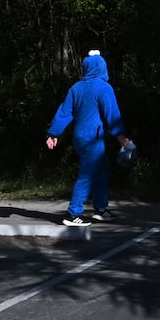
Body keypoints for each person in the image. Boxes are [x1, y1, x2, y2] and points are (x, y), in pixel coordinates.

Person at [45, 49, 131, 228]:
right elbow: (112, 115)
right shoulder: (104, 88)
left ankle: (100, 210)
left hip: (80, 138)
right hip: (94, 138)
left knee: (100, 172)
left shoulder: (76, 87)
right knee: (88, 174)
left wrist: (53, 134)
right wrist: (121, 137)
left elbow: (64, 112)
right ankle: (73, 213)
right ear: (102, 67)